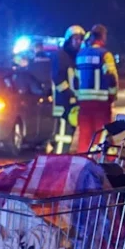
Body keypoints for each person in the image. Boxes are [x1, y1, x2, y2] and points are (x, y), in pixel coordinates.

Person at [74, 24, 118, 153]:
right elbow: (111, 76)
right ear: (103, 36)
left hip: (83, 103)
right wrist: (112, 96)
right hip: (101, 103)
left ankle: (82, 159)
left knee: (85, 134)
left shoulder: (80, 55)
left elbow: (75, 79)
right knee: (101, 133)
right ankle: (101, 163)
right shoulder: (105, 55)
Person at [50, 25, 85, 154]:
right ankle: (57, 165)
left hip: (74, 104)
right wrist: (69, 95)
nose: (78, 42)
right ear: (68, 39)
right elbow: (57, 78)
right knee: (62, 137)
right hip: (63, 105)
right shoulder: (60, 56)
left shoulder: (78, 57)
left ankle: (60, 160)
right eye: (75, 39)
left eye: (80, 39)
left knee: (68, 136)